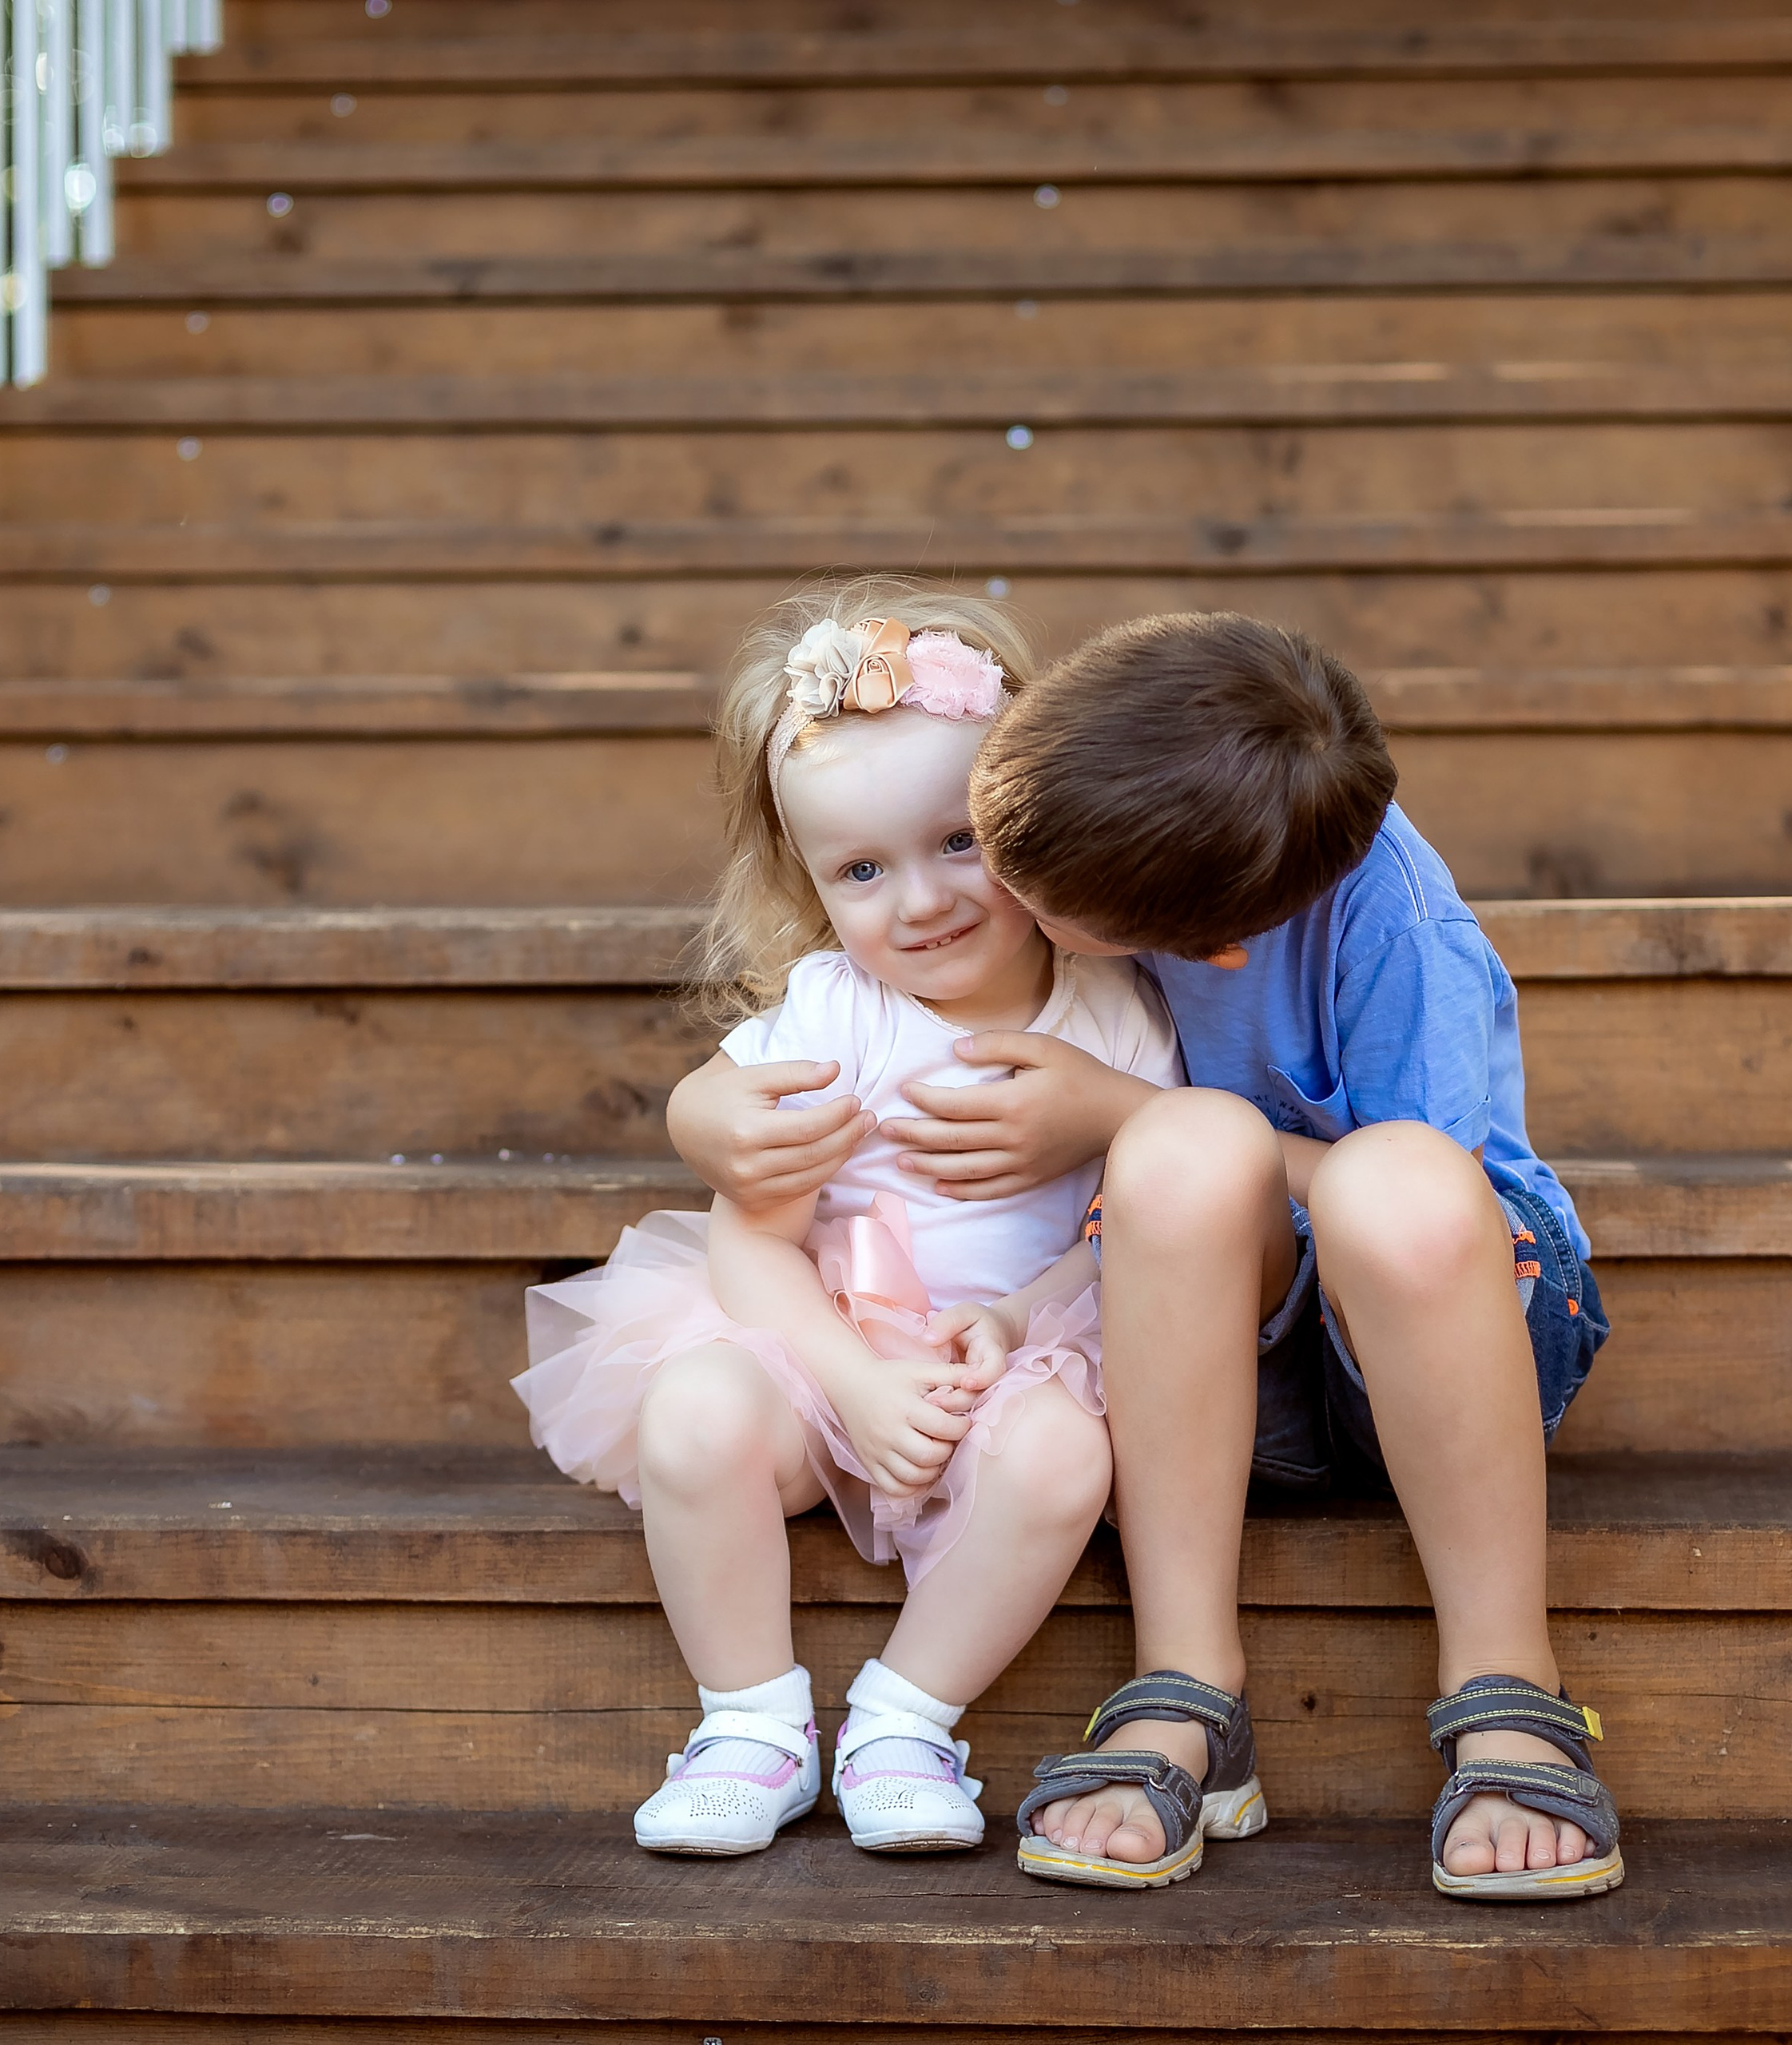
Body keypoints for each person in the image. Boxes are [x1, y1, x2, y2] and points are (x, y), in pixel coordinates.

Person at [672, 610, 1620, 1901]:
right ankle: (1189, 1689)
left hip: (1459, 1325)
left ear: (1191, 949)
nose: (973, 898)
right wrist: (704, 1114)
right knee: (1187, 1150)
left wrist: (1110, 1113)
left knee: (1343, 1166)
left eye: (1008, 877)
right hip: (1211, 1348)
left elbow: (1445, 1223)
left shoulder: (1377, 919)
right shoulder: (1122, 795)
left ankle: (1507, 1686)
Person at [516, 582, 1182, 1861]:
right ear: (811, 882)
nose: (920, 901)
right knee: (694, 1410)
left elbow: (1130, 1229)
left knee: (1060, 1462)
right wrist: (854, 1381)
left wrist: (1013, 1319)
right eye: (863, 870)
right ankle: (751, 1724)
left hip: (1017, 1348)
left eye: (957, 842)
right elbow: (753, 1244)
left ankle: (903, 1719)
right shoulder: (832, 1018)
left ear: (1028, 814)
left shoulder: (1119, 1014)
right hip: (827, 1347)